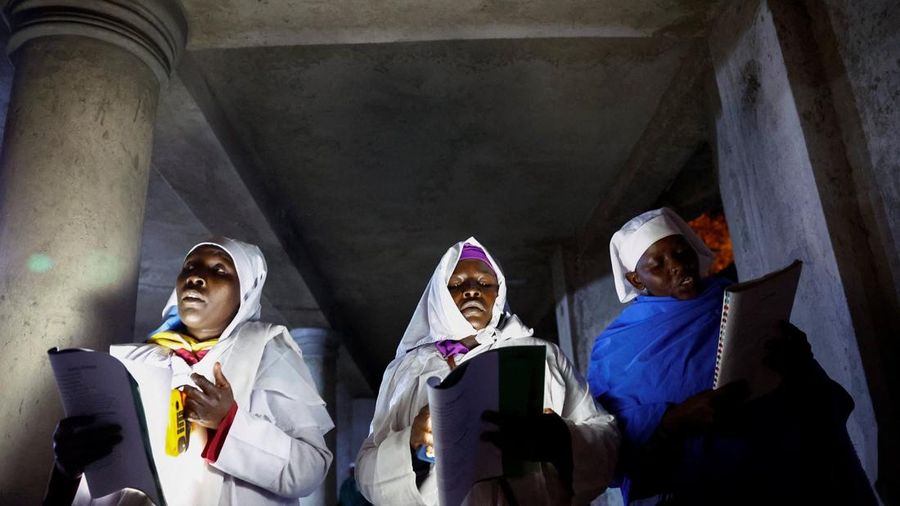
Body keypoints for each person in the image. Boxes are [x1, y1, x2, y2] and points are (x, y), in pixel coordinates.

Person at [587, 208, 876, 505]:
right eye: (658, 264)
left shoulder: (733, 298)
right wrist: (674, 419)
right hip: (705, 488)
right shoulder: (614, 347)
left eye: (681, 252)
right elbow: (604, 434)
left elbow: (800, 377)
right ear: (636, 279)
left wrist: (798, 356)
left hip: (791, 463)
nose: (677, 266)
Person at [45, 237, 334, 505]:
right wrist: (67, 468)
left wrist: (228, 424)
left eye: (219, 270)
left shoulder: (265, 350)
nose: (195, 276)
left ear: (245, 292)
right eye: (190, 267)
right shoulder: (132, 359)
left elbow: (308, 469)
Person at [356, 237, 620, 505]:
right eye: (457, 284)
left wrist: (561, 438)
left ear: (499, 293)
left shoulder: (540, 355)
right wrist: (410, 443)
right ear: (438, 296)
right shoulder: (407, 371)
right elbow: (367, 470)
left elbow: (606, 443)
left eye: (484, 283)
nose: (472, 291)